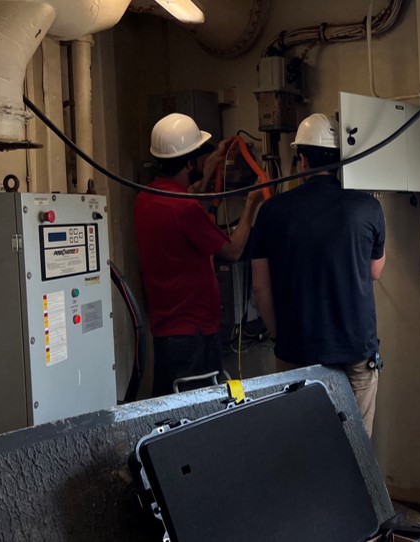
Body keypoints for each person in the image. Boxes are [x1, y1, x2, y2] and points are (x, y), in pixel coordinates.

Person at [250, 113, 386, 436]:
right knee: (357, 449)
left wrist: (277, 334)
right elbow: (374, 272)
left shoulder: (272, 211)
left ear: (301, 159)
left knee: (303, 448)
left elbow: (259, 286)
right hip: (355, 349)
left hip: (297, 349)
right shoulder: (368, 208)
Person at [135, 113, 262, 397]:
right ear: (190, 162)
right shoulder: (184, 210)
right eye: (201, 158)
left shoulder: (145, 199)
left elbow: (187, 202)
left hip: (168, 334)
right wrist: (252, 203)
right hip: (195, 336)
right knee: (199, 417)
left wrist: (212, 165)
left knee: (170, 411)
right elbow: (233, 250)